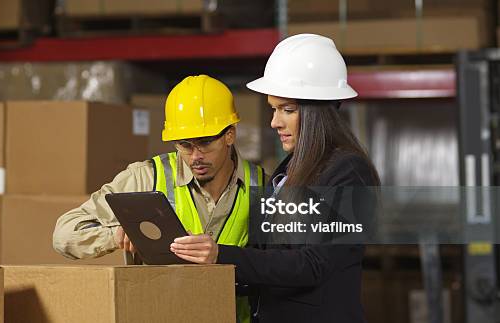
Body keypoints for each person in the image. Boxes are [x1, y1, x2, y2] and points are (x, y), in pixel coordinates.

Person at [170, 34, 381, 323]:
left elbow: (314, 264)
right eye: (274, 108)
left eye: (288, 110)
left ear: (319, 112)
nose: (275, 122)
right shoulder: (285, 173)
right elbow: (264, 259)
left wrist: (223, 254)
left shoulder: (349, 172)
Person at [53, 74, 265, 323]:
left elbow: (286, 269)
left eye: (205, 143)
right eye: (185, 145)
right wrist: (115, 235)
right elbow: (64, 234)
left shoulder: (265, 185)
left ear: (229, 134)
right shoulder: (146, 177)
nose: (195, 156)